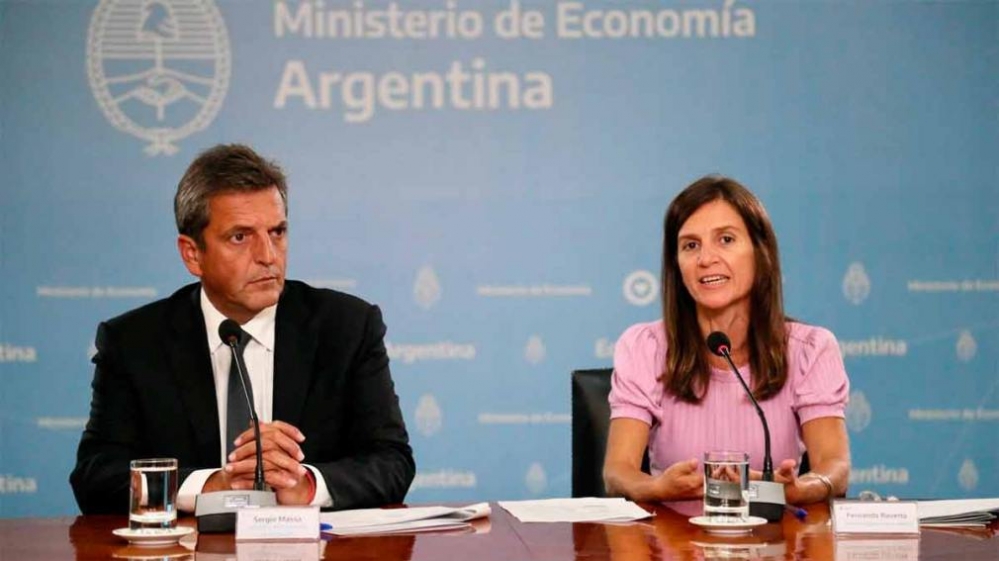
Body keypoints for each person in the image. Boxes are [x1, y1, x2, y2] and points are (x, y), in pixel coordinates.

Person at [70, 144, 415, 514]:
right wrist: (213, 486)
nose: (268, 255)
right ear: (192, 254)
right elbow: (96, 477)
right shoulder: (134, 342)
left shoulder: (346, 328)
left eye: (277, 232)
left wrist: (306, 486)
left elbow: (392, 462)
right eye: (240, 237)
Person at [603, 175, 850, 506]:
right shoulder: (644, 347)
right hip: (672, 535)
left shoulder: (810, 349)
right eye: (690, 245)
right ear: (677, 264)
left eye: (726, 239)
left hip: (773, 535)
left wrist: (802, 488)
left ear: (760, 251)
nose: (706, 259)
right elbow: (618, 472)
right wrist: (657, 487)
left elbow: (835, 467)